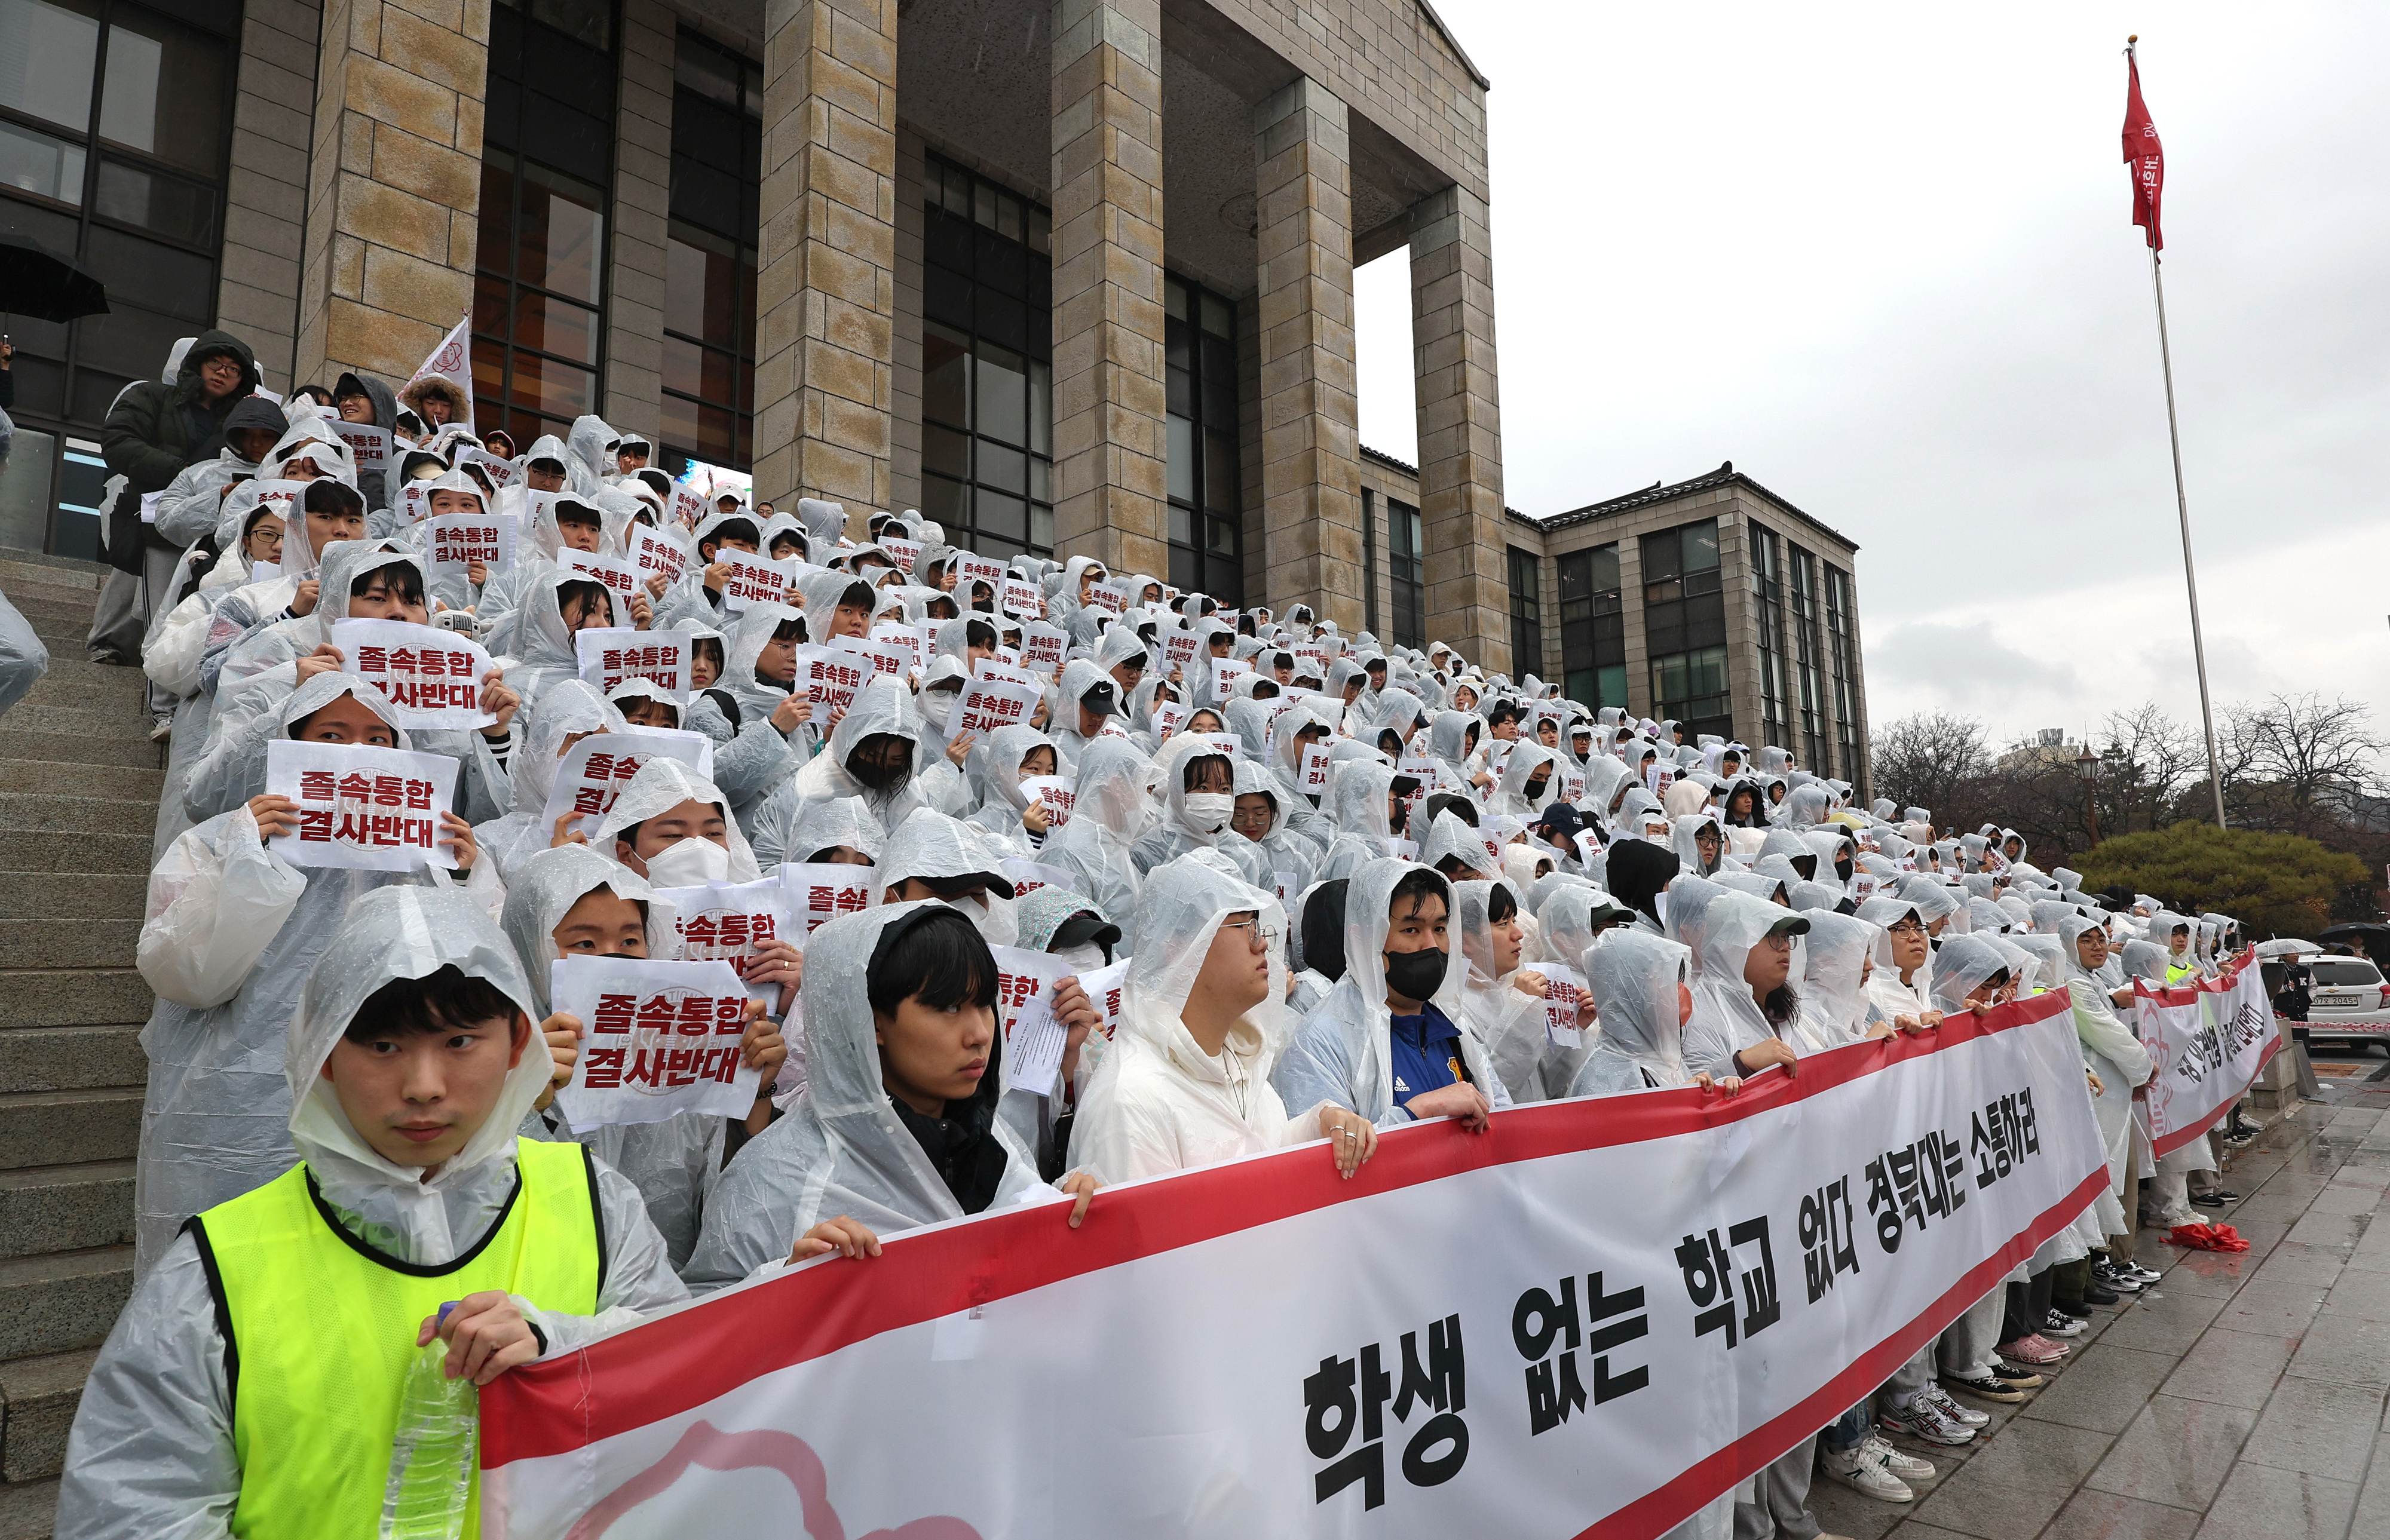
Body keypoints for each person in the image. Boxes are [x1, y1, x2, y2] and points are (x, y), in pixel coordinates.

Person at [62, 886, 691, 1535]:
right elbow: (136, 1510)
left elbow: (688, 1382)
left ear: (517, 1042)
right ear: (324, 1054)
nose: (423, 1085)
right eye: (384, 1046)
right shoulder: (218, 1269)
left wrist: (560, 1345)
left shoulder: (592, 1200)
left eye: (459, 1041)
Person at [686, 901, 1098, 1289]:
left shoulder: (996, 1142)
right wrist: (783, 1286)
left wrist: (1065, 1208)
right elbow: (698, 1330)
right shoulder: (773, 1181)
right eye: (949, 1008)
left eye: (984, 1004)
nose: (979, 1035)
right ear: (871, 1022)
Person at [1068, 855, 1378, 1183]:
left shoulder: (1238, 1057)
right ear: (1180, 946)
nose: (1261, 945)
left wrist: (1320, 1123)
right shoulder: (1131, 1101)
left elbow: (1261, 1154)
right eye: (1245, 928)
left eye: (1259, 929)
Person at [1272, 859, 1510, 1128]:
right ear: (1364, 938)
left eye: (1440, 929)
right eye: (1412, 930)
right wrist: (1416, 1113)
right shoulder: (1322, 1041)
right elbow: (1324, 1158)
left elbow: (1505, 1125)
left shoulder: (1453, 1028)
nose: (1431, 945)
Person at [93, 331, 262, 665]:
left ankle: (167, 658)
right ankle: (110, 645)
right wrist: (183, 472)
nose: (223, 372)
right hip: (146, 508)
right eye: (216, 362)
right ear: (197, 364)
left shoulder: (239, 423)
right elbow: (119, 441)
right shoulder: (151, 396)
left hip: (210, 520)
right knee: (130, 579)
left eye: (234, 369)